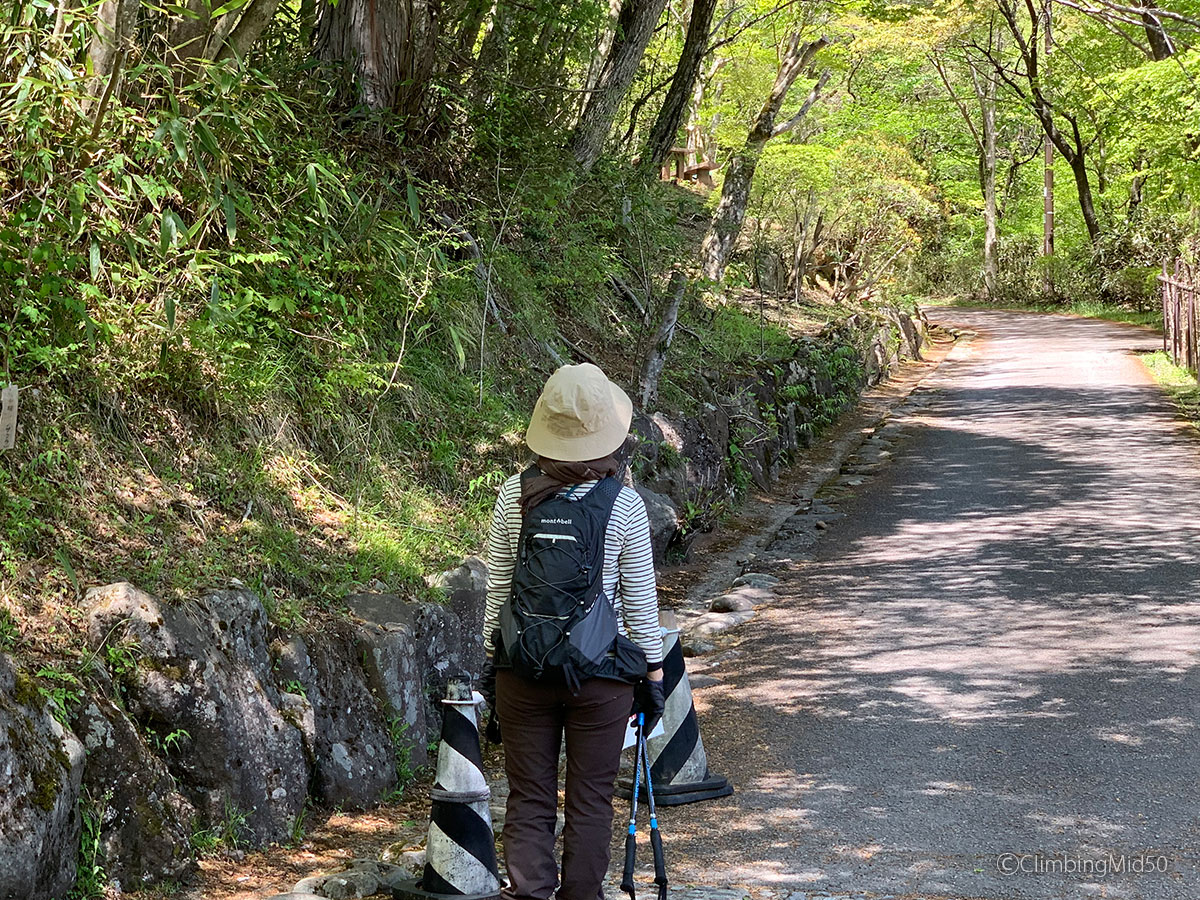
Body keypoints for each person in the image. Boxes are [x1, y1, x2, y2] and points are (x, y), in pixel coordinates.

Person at [480, 362, 666, 900]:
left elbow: (498, 593)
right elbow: (639, 607)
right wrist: (652, 676)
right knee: (589, 799)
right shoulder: (625, 504)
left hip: (523, 670)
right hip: (600, 676)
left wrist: (497, 664)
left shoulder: (513, 496)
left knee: (529, 797)